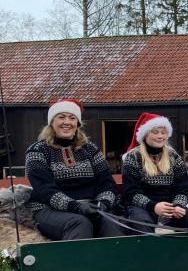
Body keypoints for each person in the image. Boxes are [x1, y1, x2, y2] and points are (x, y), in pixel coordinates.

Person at [25, 99, 123, 240]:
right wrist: (76, 206)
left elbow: (107, 183)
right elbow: (45, 189)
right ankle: (76, 262)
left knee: (110, 222)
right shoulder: (37, 151)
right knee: (79, 223)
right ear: (51, 122)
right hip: (49, 209)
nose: (67, 122)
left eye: (72, 118)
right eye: (61, 117)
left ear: (77, 123)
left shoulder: (91, 149)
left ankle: (113, 261)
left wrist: (103, 204)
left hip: (91, 206)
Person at [122, 114, 188, 233]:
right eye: (155, 132)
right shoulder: (133, 157)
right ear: (145, 135)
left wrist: (177, 206)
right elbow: (131, 192)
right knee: (142, 223)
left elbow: (183, 189)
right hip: (143, 207)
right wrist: (154, 207)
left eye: (163, 132)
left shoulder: (173, 156)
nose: (160, 136)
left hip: (171, 207)